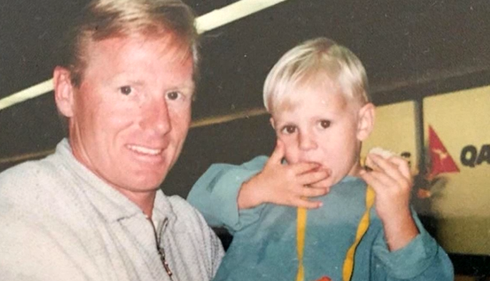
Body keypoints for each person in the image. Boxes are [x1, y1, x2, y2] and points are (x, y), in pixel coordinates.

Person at [0, 0, 224, 280]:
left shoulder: (188, 227)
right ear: (66, 92)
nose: (160, 123)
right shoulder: (23, 210)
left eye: (174, 95)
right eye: (128, 90)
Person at [187, 37, 454, 281]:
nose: (305, 144)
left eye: (323, 123)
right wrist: (254, 189)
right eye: (290, 129)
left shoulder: (381, 202)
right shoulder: (270, 177)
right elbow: (196, 205)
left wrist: (397, 220)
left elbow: (433, 277)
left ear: (363, 122)